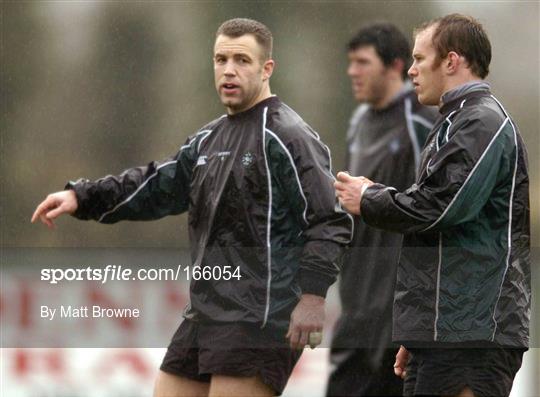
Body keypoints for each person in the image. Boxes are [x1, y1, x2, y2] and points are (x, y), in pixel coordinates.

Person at [32, 18, 352, 397]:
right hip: (205, 312)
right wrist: (83, 197)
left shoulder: (288, 135)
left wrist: (314, 298)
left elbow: (329, 219)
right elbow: (155, 185)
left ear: (267, 69)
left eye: (242, 60)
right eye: (220, 59)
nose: (229, 70)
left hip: (260, 318)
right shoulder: (207, 139)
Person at [335, 14, 530, 397]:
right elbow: (441, 233)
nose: (410, 71)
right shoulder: (454, 121)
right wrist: (419, 328)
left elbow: (439, 207)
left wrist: (370, 198)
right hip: (442, 334)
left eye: (420, 59)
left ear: (452, 61)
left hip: (472, 337)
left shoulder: (481, 122)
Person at [327, 23, 437, 397]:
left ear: (394, 66)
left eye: (362, 62)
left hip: (398, 308)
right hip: (356, 303)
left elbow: (433, 206)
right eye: (350, 62)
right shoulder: (358, 122)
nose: (352, 71)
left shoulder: (421, 120)